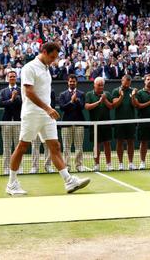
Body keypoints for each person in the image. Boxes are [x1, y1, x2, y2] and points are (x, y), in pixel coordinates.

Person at [6, 42, 90, 196]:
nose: (53, 60)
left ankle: (68, 181)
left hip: (47, 115)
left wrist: (47, 110)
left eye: (55, 58)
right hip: (32, 113)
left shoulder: (46, 68)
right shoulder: (29, 68)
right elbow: (29, 92)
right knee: (23, 146)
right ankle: (11, 184)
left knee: (55, 146)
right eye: (51, 57)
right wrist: (47, 108)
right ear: (43, 51)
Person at [58, 74, 88, 172]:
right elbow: (62, 108)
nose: (72, 83)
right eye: (70, 81)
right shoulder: (63, 94)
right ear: (68, 82)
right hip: (66, 124)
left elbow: (82, 107)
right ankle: (67, 166)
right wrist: (71, 102)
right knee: (66, 147)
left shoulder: (81, 94)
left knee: (79, 146)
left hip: (79, 123)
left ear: (76, 82)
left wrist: (77, 101)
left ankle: (79, 165)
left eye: (73, 81)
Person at [85, 77, 114, 171]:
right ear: (94, 85)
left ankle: (109, 164)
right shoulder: (89, 94)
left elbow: (111, 107)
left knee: (107, 144)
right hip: (94, 124)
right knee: (96, 145)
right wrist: (99, 102)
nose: (101, 87)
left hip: (106, 123)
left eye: (102, 85)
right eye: (99, 85)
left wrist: (104, 100)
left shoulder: (107, 94)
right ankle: (96, 164)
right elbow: (87, 107)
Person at [112, 74, 137, 170]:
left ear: (130, 82)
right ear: (121, 81)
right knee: (119, 142)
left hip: (130, 121)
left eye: (128, 83)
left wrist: (133, 96)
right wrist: (121, 96)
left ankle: (130, 163)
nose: (126, 85)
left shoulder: (132, 91)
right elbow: (114, 104)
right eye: (125, 82)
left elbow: (135, 105)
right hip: (119, 121)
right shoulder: (116, 91)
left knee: (130, 142)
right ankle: (120, 164)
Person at [0, 70, 22, 174]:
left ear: (16, 78)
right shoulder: (3, 91)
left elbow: (23, 102)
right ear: (7, 78)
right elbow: (1, 103)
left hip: (18, 121)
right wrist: (11, 100)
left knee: (18, 146)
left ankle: (19, 168)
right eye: (10, 77)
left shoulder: (21, 90)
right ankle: (6, 168)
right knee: (6, 146)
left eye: (14, 76)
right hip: (7, 122)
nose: (12, 78)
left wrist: (14, 99)